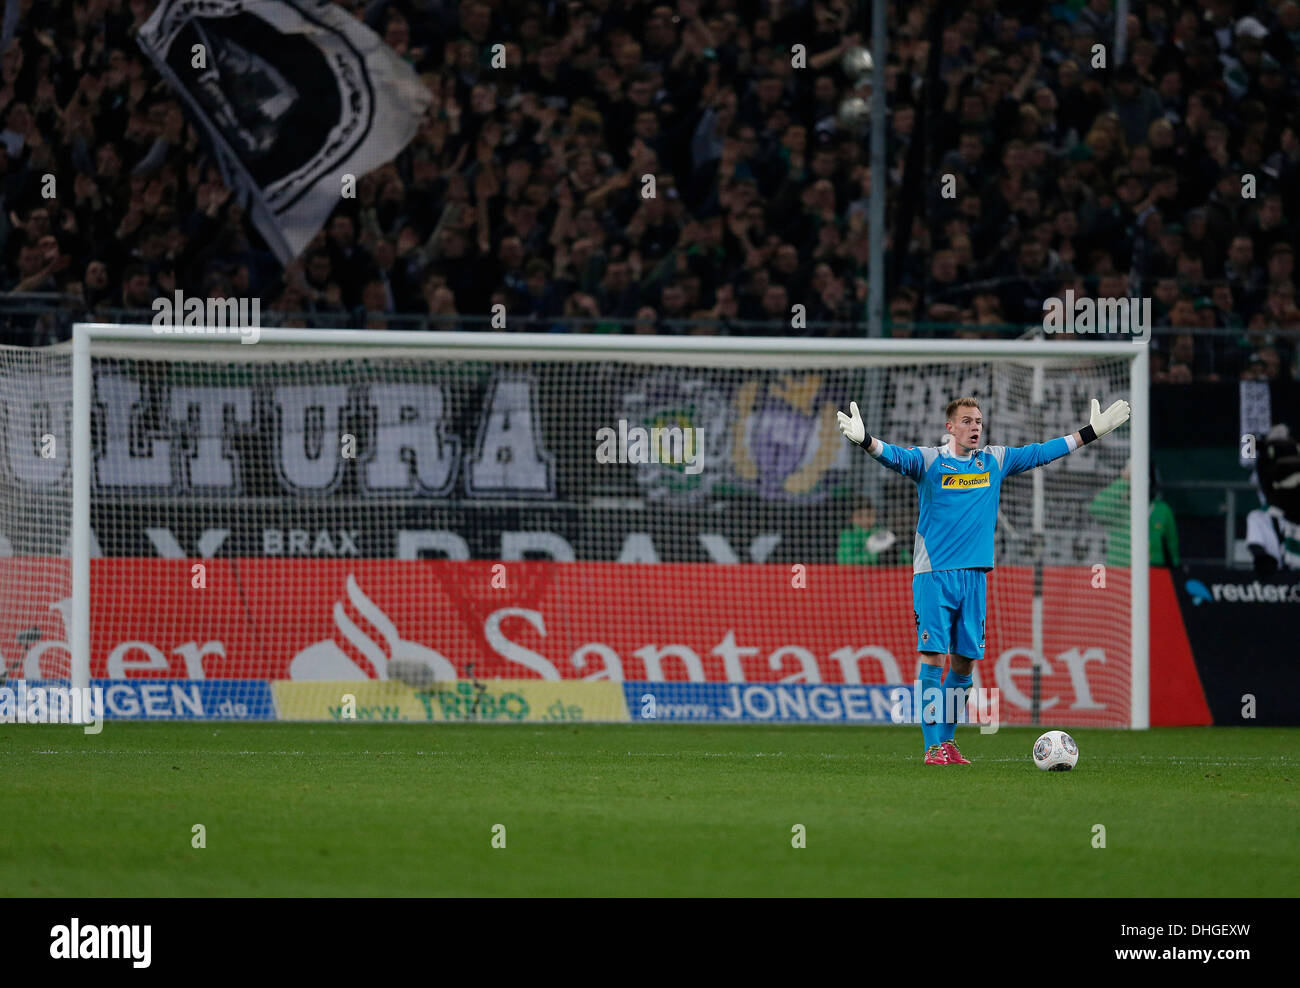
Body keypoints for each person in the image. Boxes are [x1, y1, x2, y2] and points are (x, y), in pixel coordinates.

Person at [836, 394, 1131, 765]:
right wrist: (864, 440)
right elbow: (893, 455)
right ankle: (931, 747)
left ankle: (946, 741)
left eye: (978, 421)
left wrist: (1090, 433)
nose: (975, 426)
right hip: (934, 576)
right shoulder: (929, 461)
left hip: (975, 577)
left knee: (964, 663)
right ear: (950, 427)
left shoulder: (995, 459)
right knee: (933, 655)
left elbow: (1041, 452)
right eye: (967, 421)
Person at [1087, 464, 1181, 567]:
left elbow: (1172, 543)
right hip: (1122, 570)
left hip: (1155, 569)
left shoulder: (1162, 509)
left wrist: (1175, 568)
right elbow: (1096, 509)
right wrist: (1124, 480)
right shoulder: (1118, 508)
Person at [836, 498, 913, 565]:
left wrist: (896, 556)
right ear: (851, 518)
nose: (865, 520)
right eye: (860, 516)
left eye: (869, 515)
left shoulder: (883, 533)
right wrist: (877, 558)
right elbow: (843, 559)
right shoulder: (847, 536)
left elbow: (907, 558)